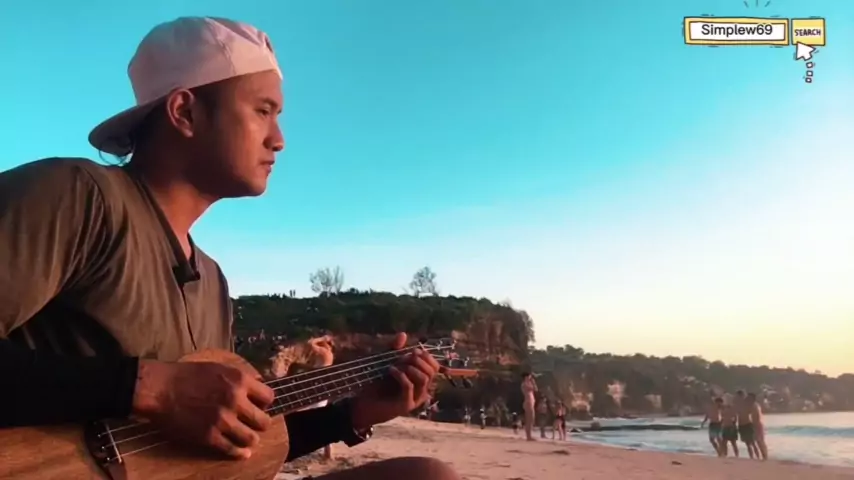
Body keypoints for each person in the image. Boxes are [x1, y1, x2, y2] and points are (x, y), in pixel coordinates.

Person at [0, 16, 460, 480]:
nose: (279, 139)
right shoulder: (76, 196)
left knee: (425, 476)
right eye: (263, 111)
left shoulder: (211, 281)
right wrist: (147, 388)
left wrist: (353, 414)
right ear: (185, 112)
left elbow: (215, 452)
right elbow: (151, 401)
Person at [734, 390, 759, 459]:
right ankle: (752, 457)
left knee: (752, 442)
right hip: (741, 425)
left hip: (748, 424)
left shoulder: (747, 403)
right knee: (747, 443)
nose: (737, 398)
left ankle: (758, 457)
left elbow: (752, 409)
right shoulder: (738, 404)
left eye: (738, 396)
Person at [747, 393, 769, 460]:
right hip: (757, 424)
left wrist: (755, 424)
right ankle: (764, 455)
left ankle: (765, 456)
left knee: (760, 441)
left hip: (757, 425)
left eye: (749, 398)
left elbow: (757, 416)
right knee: (759, 441)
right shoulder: (754, 405)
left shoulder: (755, 406)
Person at [520, 372, 537, 440]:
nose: (530, 378)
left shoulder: (528, 383)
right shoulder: (524, 384)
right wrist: (533, 382)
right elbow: (534, 388)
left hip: (531, 402)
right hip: (528, 402)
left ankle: (529, 435)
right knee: (529, 419)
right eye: (529, 376)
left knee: (531, 419)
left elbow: (535, 389)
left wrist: (532, 382)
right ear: (526, 377)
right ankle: (528, 436)